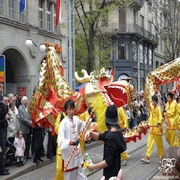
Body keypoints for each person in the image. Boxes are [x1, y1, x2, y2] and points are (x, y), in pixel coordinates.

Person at [86, 104, 127, 180]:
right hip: (117, 172)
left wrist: (93, 167)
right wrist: (90, 133)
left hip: (111, 176)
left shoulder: (110, 137)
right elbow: (100, 136)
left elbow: (108, 161)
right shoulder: (118, 132)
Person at [58, 99, 90, 180]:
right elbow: (60, 141)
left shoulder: (76, 119)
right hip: (69, 156)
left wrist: (90, 118)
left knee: (82, 176)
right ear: (66, 110)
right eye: (69, 109)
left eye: (72, 109)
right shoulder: (63, 123)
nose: (71, 111)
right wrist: (71, 142)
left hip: (78, 155)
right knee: (70, 177)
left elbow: (84, 127)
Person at [141, 95, 164, 163]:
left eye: (153, 101)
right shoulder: (152, 108)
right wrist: (148, 124)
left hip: (157, 129)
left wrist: (159, 123)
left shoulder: (158, 108)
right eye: (152, 101)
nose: (152, 102)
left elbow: (160, 117)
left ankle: (162, 157)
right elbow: (151, 117)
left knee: (159, 145)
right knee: (149, 143)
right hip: (152, 129)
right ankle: (147, 157)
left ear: (156, 101)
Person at [0, 95, 10, 175]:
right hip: (1, 131)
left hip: (4, 130)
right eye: (5, 100)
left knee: (3, 151)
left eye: (7, 100)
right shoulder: (1, 109)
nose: (7, 102)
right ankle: (1, 169)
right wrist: (5, 119)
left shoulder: (5, 108)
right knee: (1, 151)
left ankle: (2, 167)